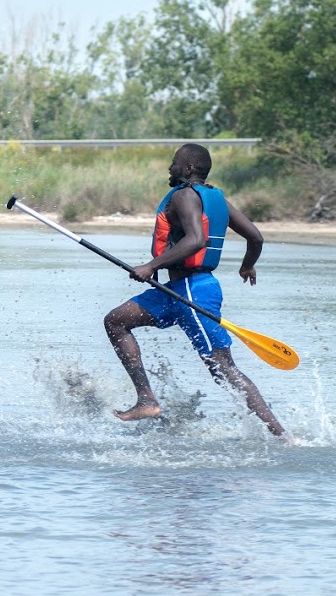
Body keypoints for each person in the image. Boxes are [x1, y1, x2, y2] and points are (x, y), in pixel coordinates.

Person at [103, 143, 287, 437]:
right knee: (116, 320)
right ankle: (147, 400)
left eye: (174, 163)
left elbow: (197, 240)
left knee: (223, 368)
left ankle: (283, 436)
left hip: (193, 292)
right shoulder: (217, 199)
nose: (170, 168)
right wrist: (247, 266)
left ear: (188, 169)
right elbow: (256, 238)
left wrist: (151, 265)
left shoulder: (183, 196)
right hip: (174, 289)